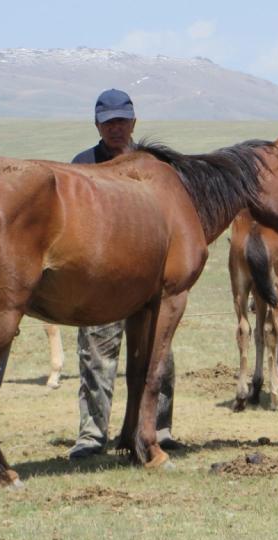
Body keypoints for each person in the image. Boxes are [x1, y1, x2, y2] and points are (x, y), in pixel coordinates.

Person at [68, 89, 180, 459]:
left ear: (134, 122)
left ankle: (158, 430)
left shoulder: (154, 167)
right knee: (95, 355)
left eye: (122, 120)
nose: (116, 128)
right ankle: (92, 434)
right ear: (97, 125)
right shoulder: (81, 166)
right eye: (108, 122)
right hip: (100, 282)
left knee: (157, 355)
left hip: (148, 279)